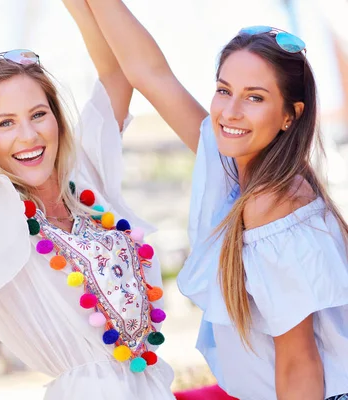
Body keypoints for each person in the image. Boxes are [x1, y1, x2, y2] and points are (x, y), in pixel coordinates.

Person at [0, 0, 175, 398]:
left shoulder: (86, 179)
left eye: (38, 114)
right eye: (5, 123)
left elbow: (116, 72)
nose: (28, 136)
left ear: (57, 117)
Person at [84, 1, 348, 399]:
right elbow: (149, 73)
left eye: (255, 97)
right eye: (224, 90)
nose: (230, 111)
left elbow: (300, 364)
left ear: (290, 115)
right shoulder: (236, 163)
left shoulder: (272, 203)